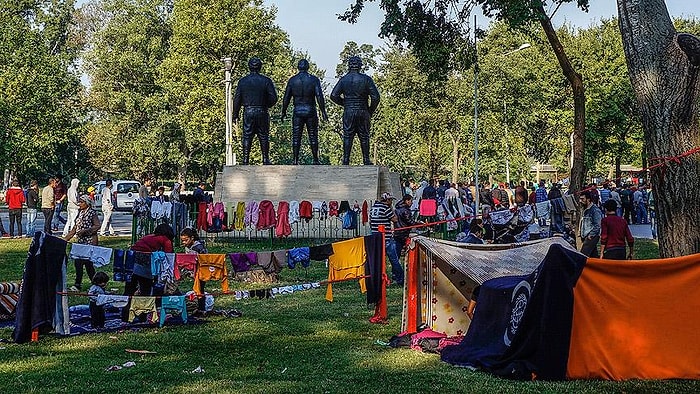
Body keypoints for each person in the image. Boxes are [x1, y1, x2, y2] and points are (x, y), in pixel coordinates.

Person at [330, 56, 380, 165]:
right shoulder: (366, 79)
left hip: (349, 111)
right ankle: (366, 159)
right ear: (360, 66)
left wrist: (344, 103)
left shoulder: (344, 80)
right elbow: (376, 97)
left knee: (347, 135)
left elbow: (333, 95)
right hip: (363, 110)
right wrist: (370, 110)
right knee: (364, 135)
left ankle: (346, 159)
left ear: (349, 66)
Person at [281, 58, 328, 165]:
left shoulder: (293, 80)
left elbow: (286, 98)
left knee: (296, 136)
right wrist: (323, 111)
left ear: (298, 67)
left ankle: (295, 160)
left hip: (298, 110)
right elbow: (319, 96)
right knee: (313, 135)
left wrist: (283, 111)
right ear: (308, 67)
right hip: (310, 110)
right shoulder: (314, 80)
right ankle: (315, 159)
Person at [233, 57, 278, 165]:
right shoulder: (266, 81)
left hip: (248, 111)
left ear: (249, 67)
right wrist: (266, 105)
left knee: (247, 135)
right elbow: (273, 98)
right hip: (262, 110)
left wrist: (235, 114)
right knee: (263, 135)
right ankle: (265, 159)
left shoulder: (243, 81)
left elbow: (237, 99)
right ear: (260, 67)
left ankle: (245, 159)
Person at [65, 195, 101, 291]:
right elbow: (75, 228)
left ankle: (80, 284)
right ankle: (93, 283)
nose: (79, 204)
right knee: (79, 263)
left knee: (87, 264)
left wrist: (86, 231)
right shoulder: (80, 213)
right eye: (79, 202)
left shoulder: (92, 213)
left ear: (87, 203)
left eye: (81, 202)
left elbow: (97, 225)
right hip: (80, 243)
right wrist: (65, 239)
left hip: (89, 242)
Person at [370, 192, 403, 285]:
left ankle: (378, 278)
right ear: (387, 200)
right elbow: (395, 219)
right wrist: (391, 209)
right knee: (394, 259)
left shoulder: (373, 208)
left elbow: (370, 222)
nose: (391, 202)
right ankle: (400, 279)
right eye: (390, 200)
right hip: (386, 238)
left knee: (378, 260)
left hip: (376, 238)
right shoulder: (385, 208)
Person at [180, 227, 208, 312]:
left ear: (192, 238)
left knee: (200, 289)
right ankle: (200, 307)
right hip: (194, 270)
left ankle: (201, 308)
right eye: (182, 240)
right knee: (197, 289)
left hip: (201, 270)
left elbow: (204, 259)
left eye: (186, 240)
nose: (184, 242)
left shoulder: (198, 247)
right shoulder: (189, 246)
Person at [579, 190, 602, 258]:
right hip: (586, 236)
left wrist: (591, 235)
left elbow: (598, 225)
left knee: (583, 256)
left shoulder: (595, 210)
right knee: (593, 256)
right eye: (580, 199)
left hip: (591, 236)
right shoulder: (584, 209)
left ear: (588, 199)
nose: (581, 201)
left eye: (582, 199)